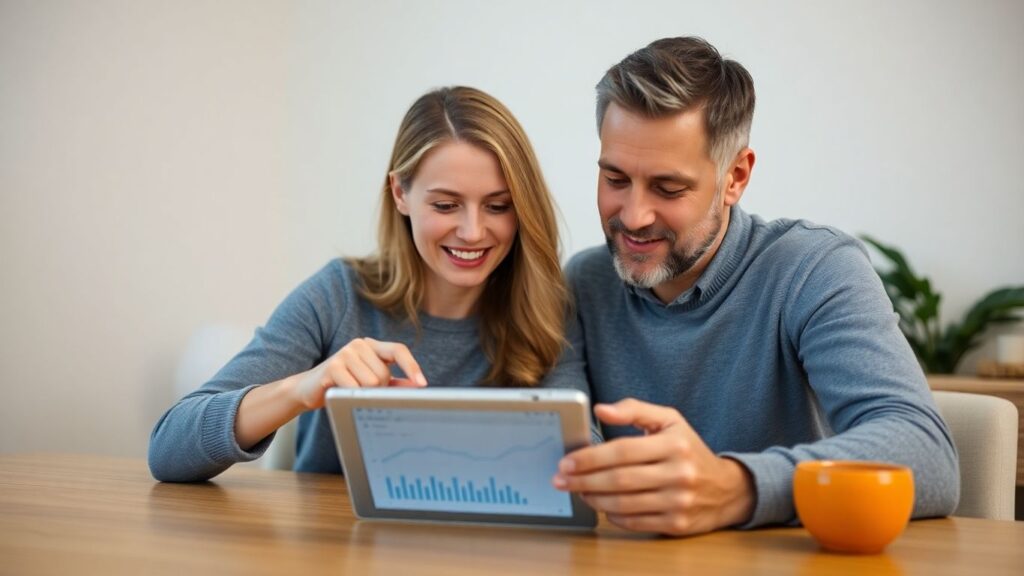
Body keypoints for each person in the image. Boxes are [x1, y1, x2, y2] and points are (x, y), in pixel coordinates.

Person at [552, 37, 959, 535]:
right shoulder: (583, 283)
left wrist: (732, 487)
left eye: (668, 188)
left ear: (735, 177)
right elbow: (565, 451)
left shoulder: (814, 269)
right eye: (615, 179)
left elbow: (927, 452)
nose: (633, 217)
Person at [149, 86, 585, 482]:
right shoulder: (339, 296)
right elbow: (168, 449)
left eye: (497, 206)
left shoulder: (547, 311)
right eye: (447, 204)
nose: (472, 231)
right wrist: (301, 389)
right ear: (400, 193)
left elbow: (585, 461)